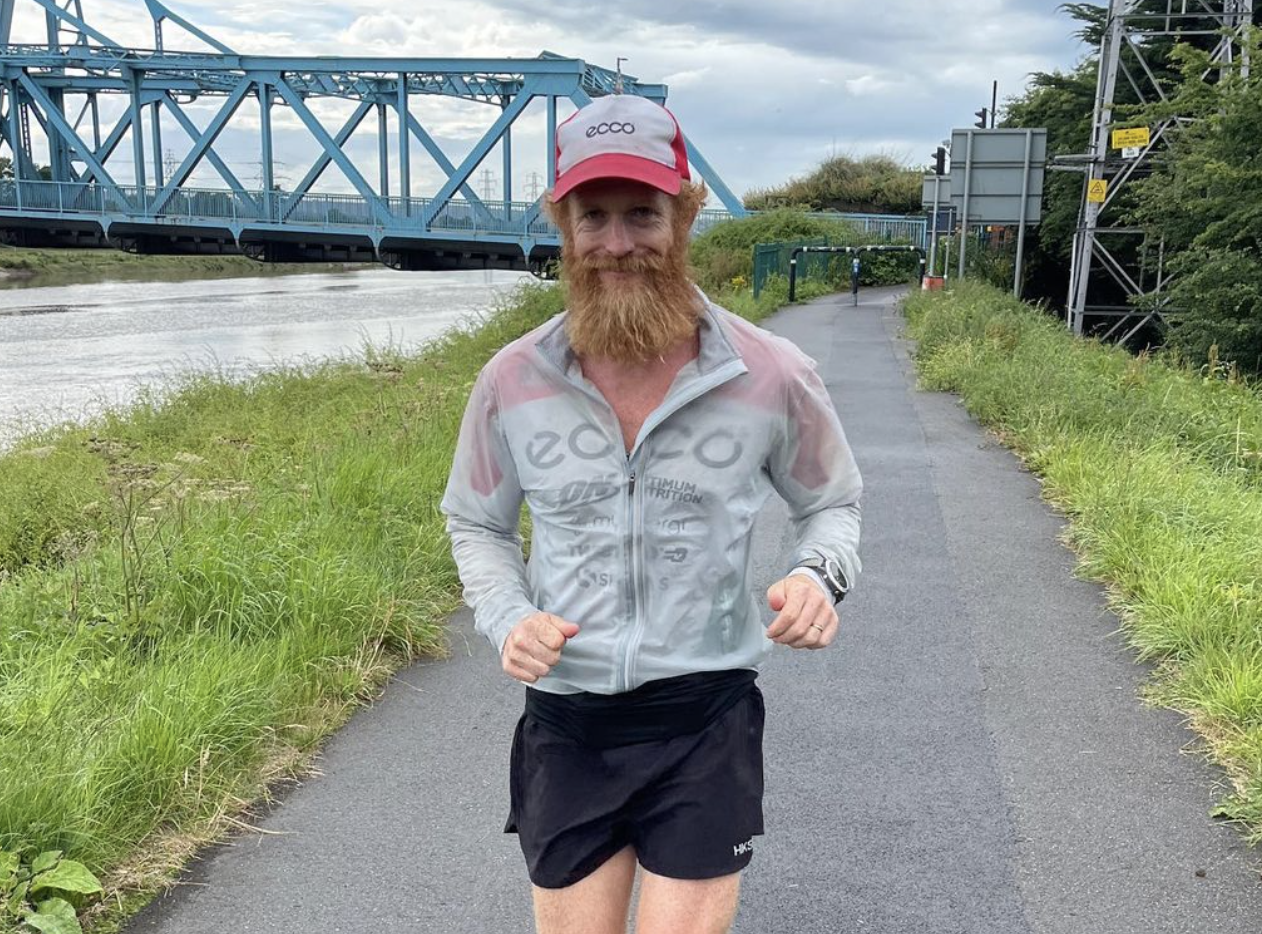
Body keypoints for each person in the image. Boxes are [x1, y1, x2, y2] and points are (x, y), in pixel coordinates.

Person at [441, 92, 862, 934]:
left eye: (642, 213)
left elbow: (832, 503)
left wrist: (819, 577)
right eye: (592, 217)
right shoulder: (511, 380)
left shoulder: (770, 373)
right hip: (568, 722)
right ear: (562, 224)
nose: (617, 243)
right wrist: (508, 616)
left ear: (685, 217)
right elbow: (477, 522)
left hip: (704, 716)